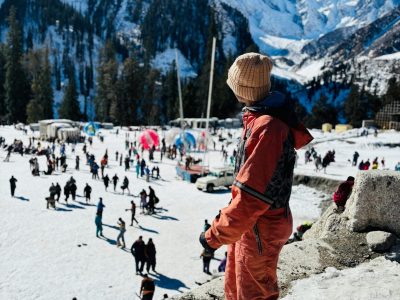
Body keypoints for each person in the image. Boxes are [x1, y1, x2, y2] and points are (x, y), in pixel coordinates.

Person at [199, 53, 313, 300]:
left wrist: (214, 235)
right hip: (251, 224)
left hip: (260, 225)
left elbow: (252, 196)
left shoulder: (268, 127)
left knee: (254, 294)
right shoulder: (258, 117)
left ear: (243, 88)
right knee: (235, 286)